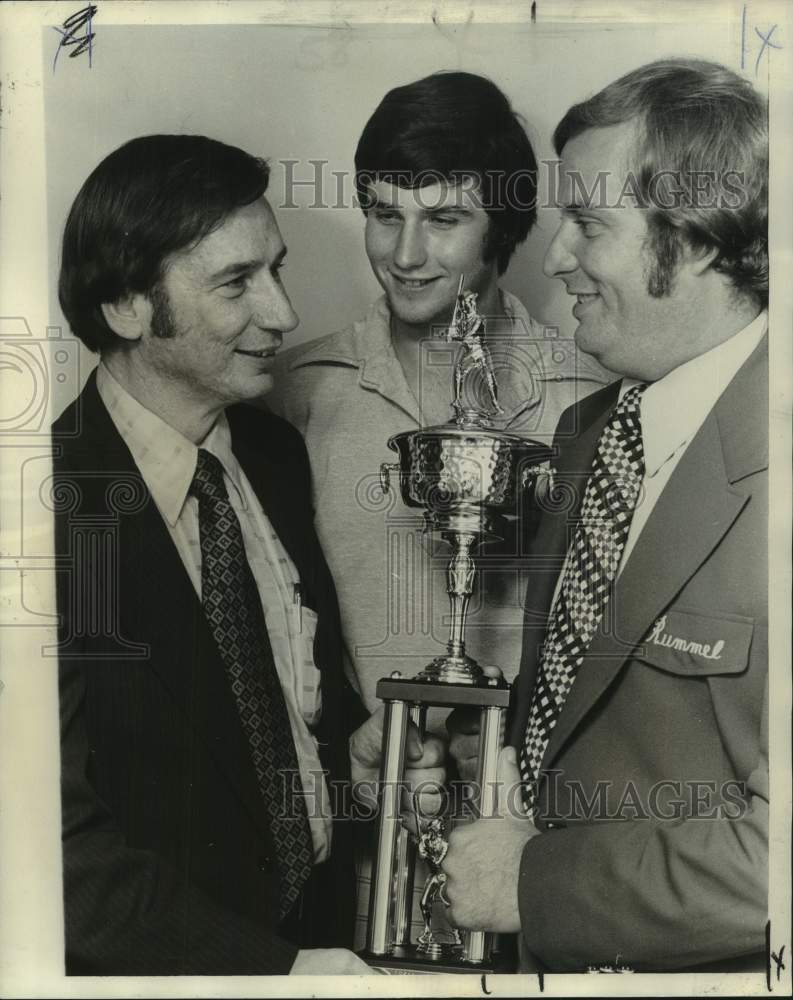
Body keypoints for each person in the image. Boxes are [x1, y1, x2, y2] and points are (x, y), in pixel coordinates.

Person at [52, 134, 444, 975]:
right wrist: (273, 978)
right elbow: (57, 855)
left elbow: (268, 728)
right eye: (236, 283)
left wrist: (352, 774)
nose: (284, 314)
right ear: (126, 307)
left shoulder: (270, 453)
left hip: (327, 942)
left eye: (277, 269)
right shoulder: (38, 517)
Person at [444, 58, 769, 973]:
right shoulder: (592, 434)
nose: (553, 259)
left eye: (588, 224)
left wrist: (531, 884)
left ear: (698, 237)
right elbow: (593, 718)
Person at [269, 71, 613, 712]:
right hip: (360, 791)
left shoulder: (589, 402)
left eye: (443, 219)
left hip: (530, 800)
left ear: (502, 226)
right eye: (384, 215)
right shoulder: (292, 396)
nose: (404, 254)